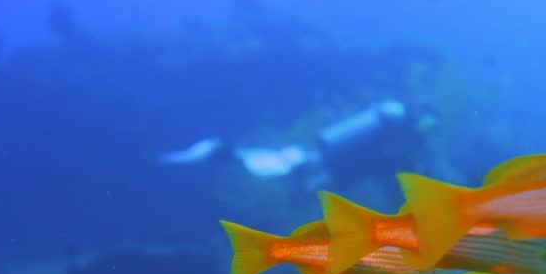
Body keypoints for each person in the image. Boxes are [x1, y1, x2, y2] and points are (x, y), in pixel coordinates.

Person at [159, 99, 440, 200]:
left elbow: (385, 168)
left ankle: (223, 153)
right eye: (431, 122)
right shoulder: (404, 134)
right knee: (285, 171)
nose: (430, 127)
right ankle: (220, 151)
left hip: (334, 159)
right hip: (337, 163)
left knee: (292, 171)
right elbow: (387, 168)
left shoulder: (400, 131)